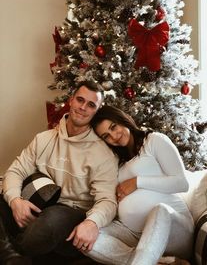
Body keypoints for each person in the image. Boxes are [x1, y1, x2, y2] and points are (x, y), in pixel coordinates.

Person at [0, 81, 118, 264]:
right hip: (38, 202)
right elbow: (16, 171)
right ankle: (12, 258)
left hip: (70, 212)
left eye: (91, 105)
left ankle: (11, 254)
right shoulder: (43, 139)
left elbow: (107, 201)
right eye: (80, 100)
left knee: (50, 222)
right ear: (71, 101)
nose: (83, 107)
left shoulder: (103, 154)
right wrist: (16, 201)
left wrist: (92, 223)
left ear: (96, 111)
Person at [85, 105, 194, 265]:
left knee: (160, 209)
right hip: (136, 235)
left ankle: (144, 259)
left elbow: (181, 183)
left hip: (173, 228)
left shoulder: (153, 140)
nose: (114, 136)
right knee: (87, 237)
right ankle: (161, 262)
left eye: (113, 127)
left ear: (122, 119)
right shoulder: (118, 162)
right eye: (106, 136)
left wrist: (137, 182)